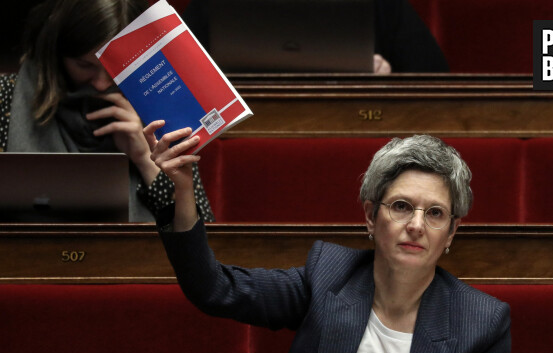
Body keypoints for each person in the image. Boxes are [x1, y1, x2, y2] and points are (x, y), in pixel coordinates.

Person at [144, 126, 517, 353]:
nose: (417, 225)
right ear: (371, 216)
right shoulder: (327, 276)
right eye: (402, 206)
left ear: (451, 231)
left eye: (435, 213)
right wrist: (182, 189)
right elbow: (214, 289)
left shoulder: (480, 321)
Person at [0, 0, 214, 222]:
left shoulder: (158, 107)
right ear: (56, 54)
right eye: (84, 66)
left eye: (116, 69)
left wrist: (144, 158)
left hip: (132, 255)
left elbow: (202, 236)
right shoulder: (6, 97)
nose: (102, 84)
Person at [181, 0, 449, 74]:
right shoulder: (215, 4)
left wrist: (388, 79)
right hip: (250, 122)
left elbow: (435, 80)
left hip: (352, 119)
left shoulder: (383, 4)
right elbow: (179, 68)